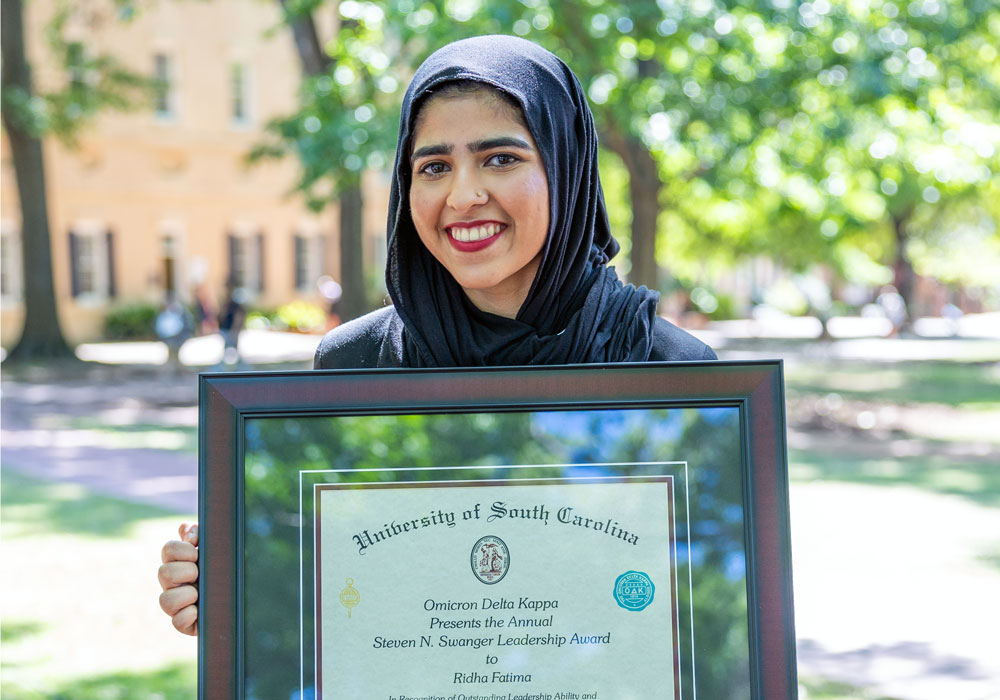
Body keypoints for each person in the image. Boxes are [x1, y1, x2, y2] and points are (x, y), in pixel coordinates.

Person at [158, 35, 716, 635]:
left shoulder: (671, 370)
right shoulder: (356, 364)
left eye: (501, 158)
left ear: (566, 167)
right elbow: (341, 592)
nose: (463, 195)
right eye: (434, 167)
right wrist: (236, 588)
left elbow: (703, 613)